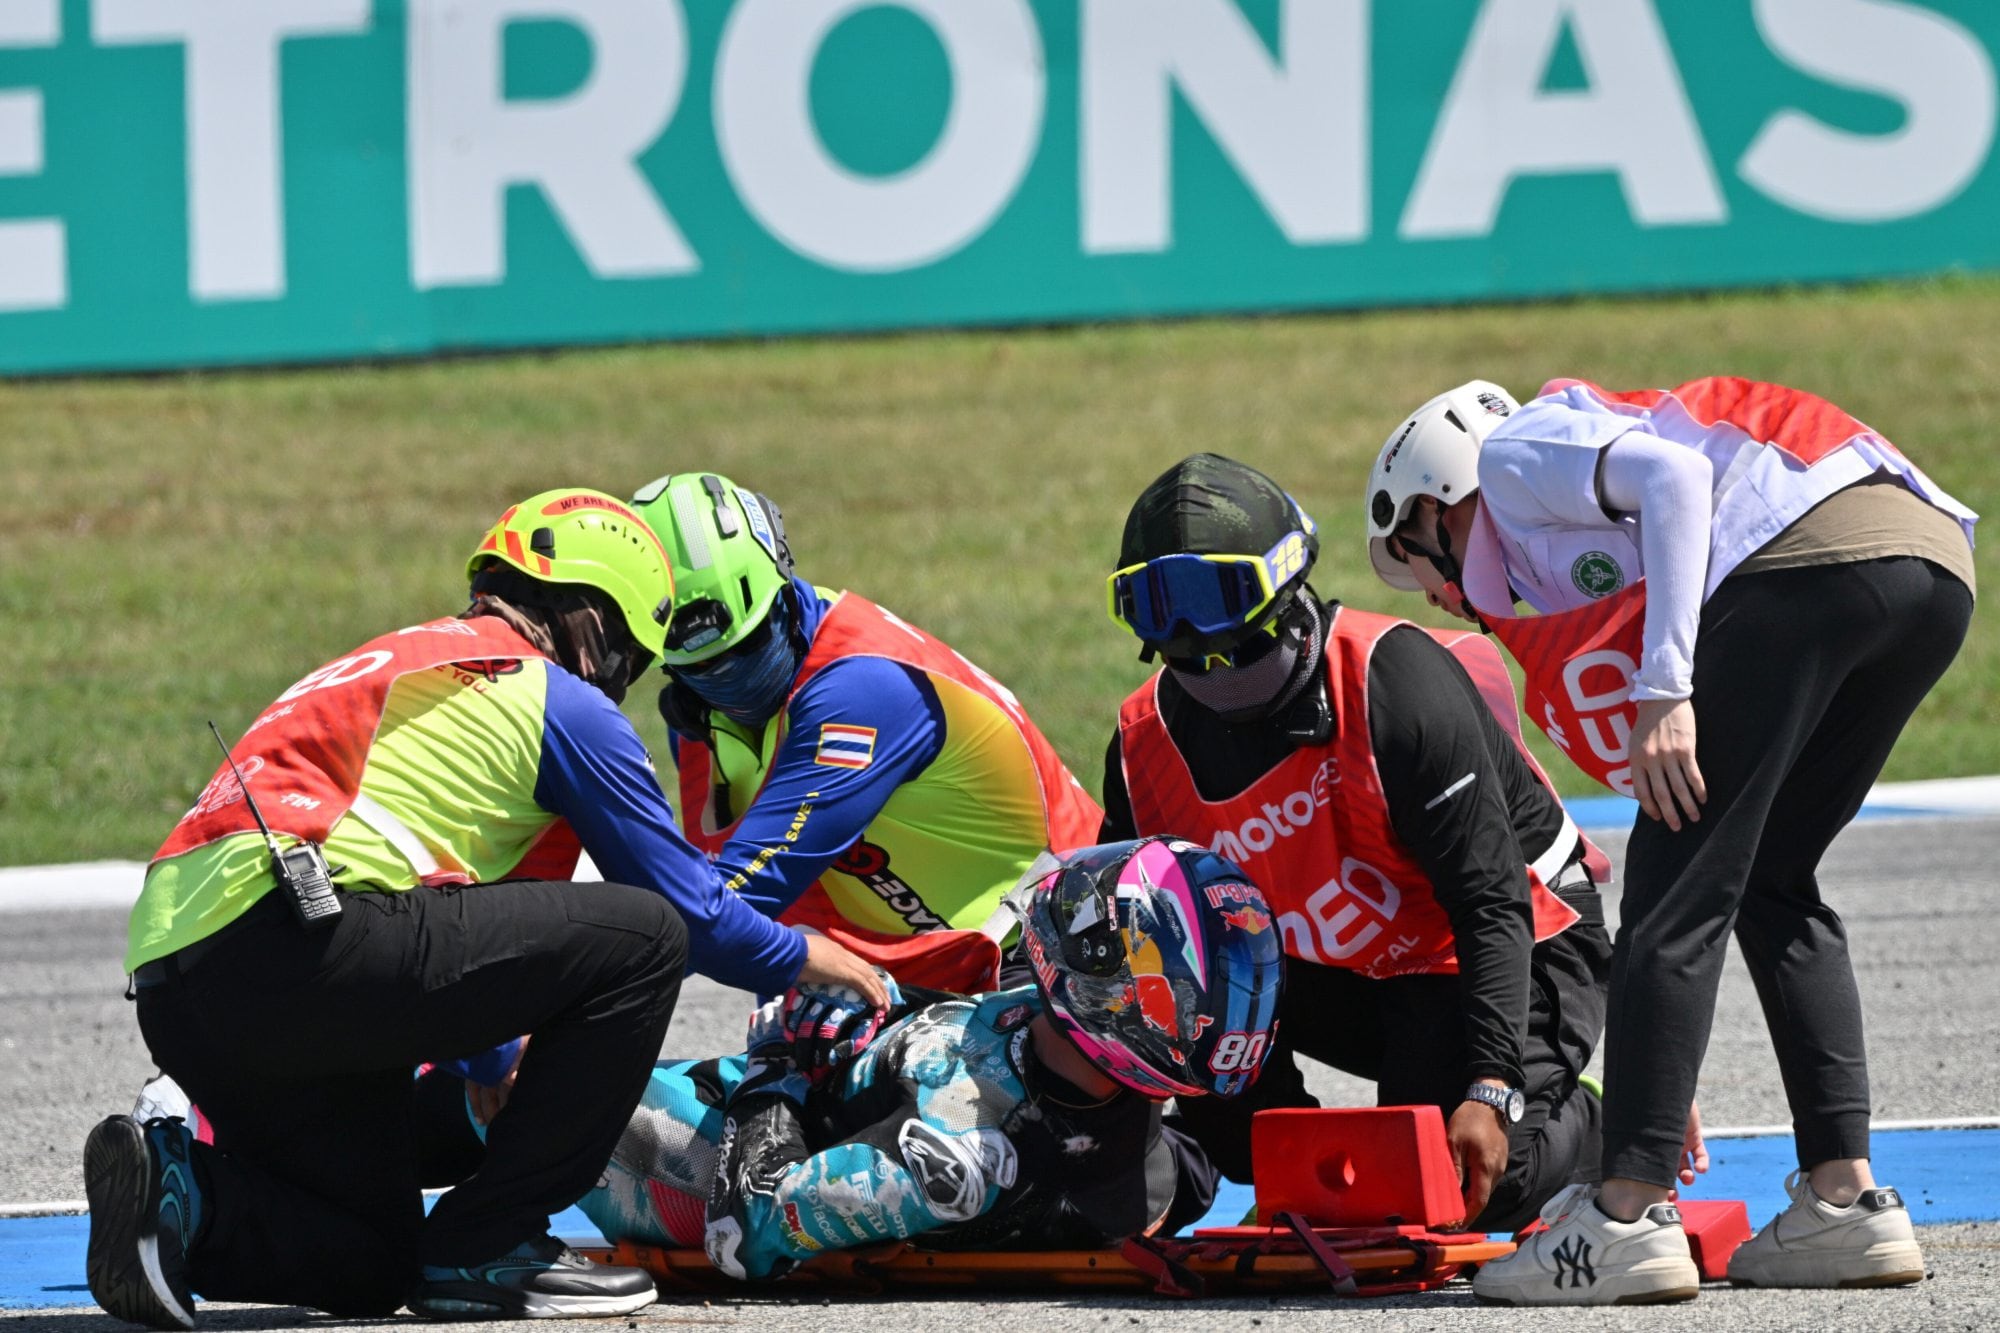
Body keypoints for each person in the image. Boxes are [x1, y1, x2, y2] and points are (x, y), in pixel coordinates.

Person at [85, 489, 884, 1328]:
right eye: (629, 657)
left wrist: (495, 1054)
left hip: (182, 986)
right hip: (300, 940)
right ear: (598, 621)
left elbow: (456, 922)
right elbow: (689, 909)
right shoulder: (551, 693)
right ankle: (493, 1238)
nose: (619, 681)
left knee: (372, 1255)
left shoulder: (410, 657)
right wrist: (804, 956)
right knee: (644, 936)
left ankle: (182, 1191)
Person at [1365, 377, 1976, 1304]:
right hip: (1926, 565)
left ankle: (1622, 1215)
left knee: (1669, 883)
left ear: (1436, 504)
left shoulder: (1515, 455)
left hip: (1803, 551)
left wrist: (1666, 688)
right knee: (1774, 877)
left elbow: (1678, 481)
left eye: (1418, 559)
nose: (1438, 596)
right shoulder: (1567, 486)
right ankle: (1845, 1202)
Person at [1098, 454, 1618, 1235]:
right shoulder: (1144, 744)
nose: (1189, 631)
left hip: (1515, 939)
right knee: (1247, 1142)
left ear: (1284, 578)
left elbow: (1491, 901)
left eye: (1216, 596)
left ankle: (1606, 1120)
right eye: (1157, 602)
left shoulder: (1393, 681)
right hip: (1353, 964)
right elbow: (1138, 933)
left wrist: (1490, 1088)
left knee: (1473, 1183)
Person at [466, 838, 1281, 1279]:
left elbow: (745, 1231)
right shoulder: (1152, 1155)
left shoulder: (960, 1155)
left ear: (1118, 1005)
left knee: (503, 1073)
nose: (1077, 920)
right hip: (824, 1082)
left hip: (705, 1165)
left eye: (1109, 941)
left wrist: (783, 1055)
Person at [629, 472, 1103, 993]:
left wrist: (569, 999)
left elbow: (733, 901)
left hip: (1066, 952)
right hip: (927, 974)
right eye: (704, 671)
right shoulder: (698, 719)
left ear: (782, 581)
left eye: (750, 646)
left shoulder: (864, 691)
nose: (734, 684)